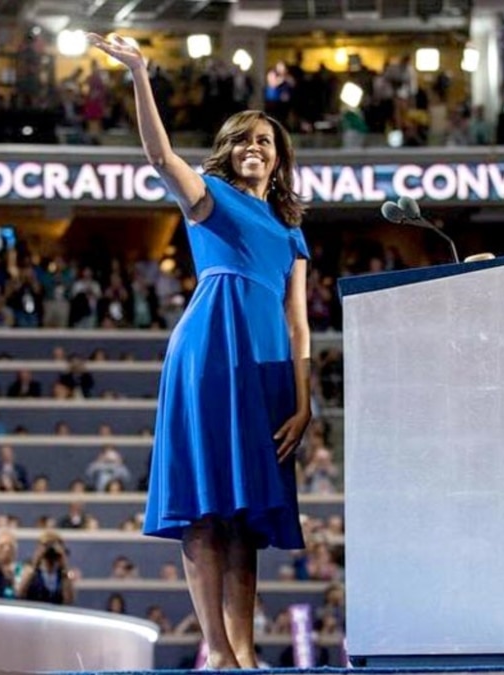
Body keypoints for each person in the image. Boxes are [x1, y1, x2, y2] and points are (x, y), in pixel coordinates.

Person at [89, 33, 313, 670]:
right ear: (228, 152)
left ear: (278, 158)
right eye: (242, 139)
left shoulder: (293, 230)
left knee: (246, 519)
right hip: (210, 353)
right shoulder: (209, 201)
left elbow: (299, 326)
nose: (252, 148)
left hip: (268, 369)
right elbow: (160, 156)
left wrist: (303, 404)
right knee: (207, 507)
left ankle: (243, 651)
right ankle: (214, 649)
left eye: (263, 141)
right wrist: (139, 74)